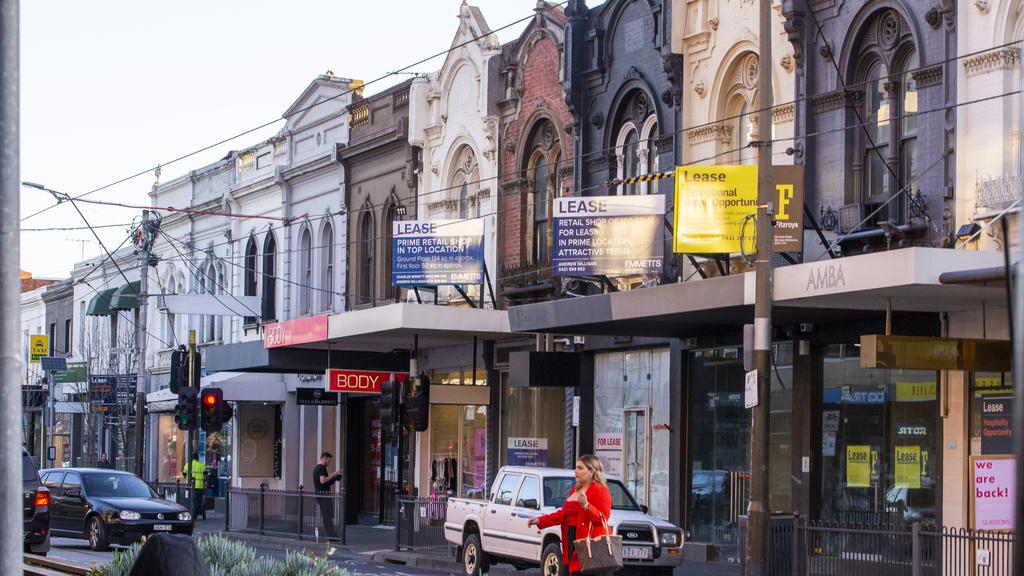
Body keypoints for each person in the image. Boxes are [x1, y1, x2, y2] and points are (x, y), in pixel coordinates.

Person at [528, 455, 614, 576]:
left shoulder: (600, 490)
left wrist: (586, 506)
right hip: (571, 541)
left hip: (589, 546)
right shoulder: (574, 490)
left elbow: (603, 518)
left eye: (580, 468)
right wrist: (540, 520)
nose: (576, 471)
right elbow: (564, 514)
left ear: (591, 471)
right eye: (576, 468)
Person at [312, 452, 342, 541]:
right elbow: (323, 481)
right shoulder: (321, 468)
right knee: (327, 516)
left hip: (322, 495)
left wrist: (335, 478)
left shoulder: (318, 468)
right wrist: (334, 474)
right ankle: (331, 536)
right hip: (323, 496)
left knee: (328, 515)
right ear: (324, 458)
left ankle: (332, 535)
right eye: (328, 461)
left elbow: (326, 482)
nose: (329, 463)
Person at [182, 453, 206, 520]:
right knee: (197, 501)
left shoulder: (187, 465)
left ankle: (190, 513)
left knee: (189, 500)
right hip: (199, 487)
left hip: (189, 487)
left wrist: (187, 478)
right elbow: (205, 474)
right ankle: (195, 514)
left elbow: (184, 474)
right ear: (197, 458)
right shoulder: (201, 465)